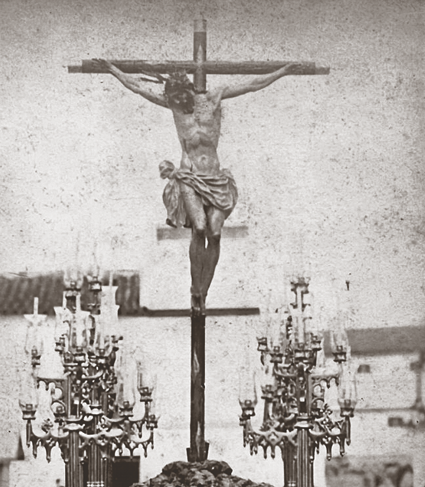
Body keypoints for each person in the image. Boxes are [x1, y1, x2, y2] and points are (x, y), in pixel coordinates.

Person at [95, 58, 302, 312]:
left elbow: (253, 84)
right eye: (175, 99)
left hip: (216, 179)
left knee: (215, 233)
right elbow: (139, 87)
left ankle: (204, 289)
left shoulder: (214, 98)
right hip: (190, 178)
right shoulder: (173, 106)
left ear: (190, 89)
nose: (180, 103)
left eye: (183, 97)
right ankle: (195, 290)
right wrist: (113, 70)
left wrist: (282, 71)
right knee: (200, 228)